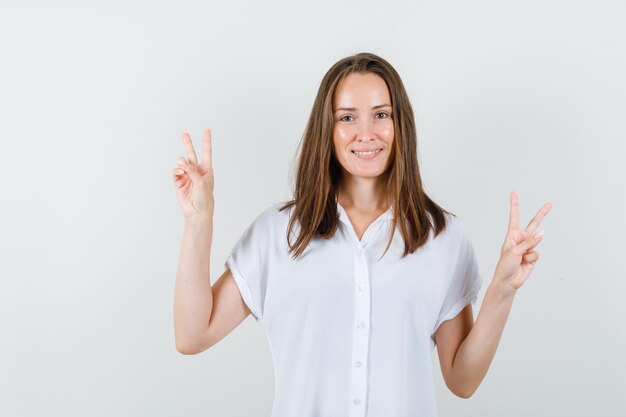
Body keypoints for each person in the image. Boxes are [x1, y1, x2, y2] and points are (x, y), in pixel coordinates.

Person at [171, 52, 553, 416]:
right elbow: (192, 336)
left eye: (380, 114)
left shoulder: (443, 236)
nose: (366, 133)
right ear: (328, 129)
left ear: (399, 123)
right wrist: (198, 222)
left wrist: (502, 292)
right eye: (348, 118)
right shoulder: (278, 234)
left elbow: (462, 380)